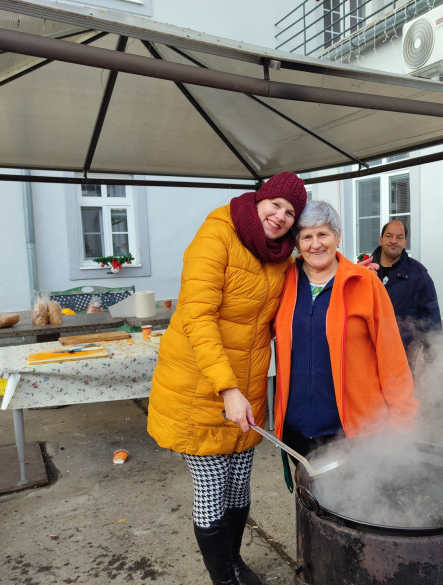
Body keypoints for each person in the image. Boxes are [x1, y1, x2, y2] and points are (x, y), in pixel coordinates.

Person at [147, 172, 307, 585]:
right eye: (276, 204)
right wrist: (228, 388)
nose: (281, 216)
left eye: (291, 212)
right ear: (259, 200)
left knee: (239, 485)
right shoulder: (216, 235)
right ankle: (224, 579)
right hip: (199, 386)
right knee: (212, 489)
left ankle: (233, 564)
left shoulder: (281, 257)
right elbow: (198, 318)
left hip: (246, 388)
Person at [273, 201, 419, 459]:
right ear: (297, 244)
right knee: (310, 498)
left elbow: (392, 356)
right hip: (296, 431)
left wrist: (403, 420)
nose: (315, 244)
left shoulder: (365, 283)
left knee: (355, 499)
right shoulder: (284, 282)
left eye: (323, 234)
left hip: (353, 432)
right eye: (306, 236)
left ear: (338, 236)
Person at [370, 220, 442, 368]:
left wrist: (432, 348)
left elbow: (429, 311)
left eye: (399, 237)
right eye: (389, 236)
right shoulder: (364, 269)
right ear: (381, 239)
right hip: (367, 347)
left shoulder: (418, 273)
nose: (393, 241)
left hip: (404, 350)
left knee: (402, 389)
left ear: (405, 242)